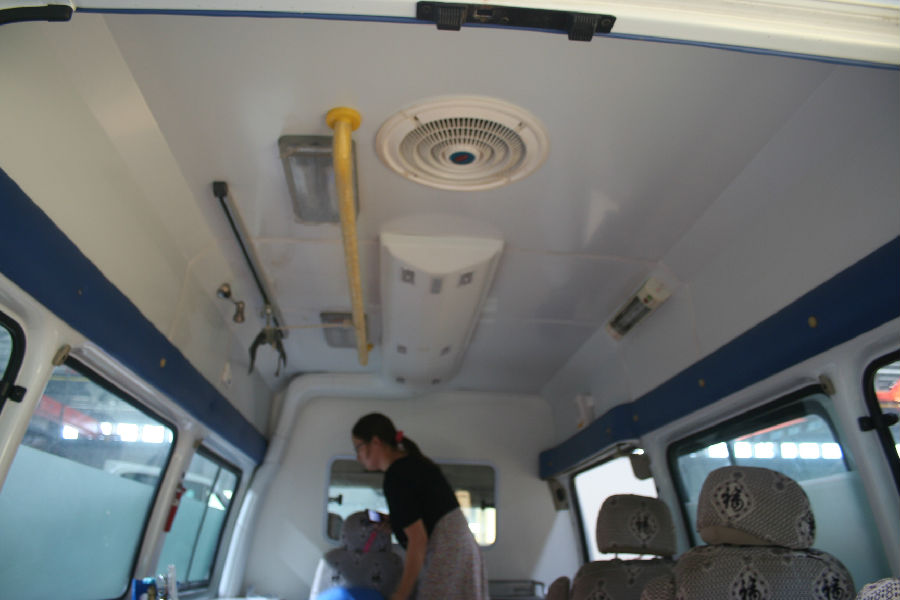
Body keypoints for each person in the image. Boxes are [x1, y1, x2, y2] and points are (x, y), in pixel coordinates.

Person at [351, 413, 488, 600]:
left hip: (448, 555)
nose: (357, 456)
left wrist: (401, 594)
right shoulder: (413, 464)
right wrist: (395, 522)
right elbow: (427, 517)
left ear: (375, 442)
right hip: (460, 552)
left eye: (358, 447)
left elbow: (418, 540)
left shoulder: (396, 475)